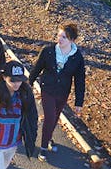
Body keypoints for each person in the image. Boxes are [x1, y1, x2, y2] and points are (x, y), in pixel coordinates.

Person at [28, 22, 85, 161]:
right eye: (59, 35)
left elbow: (79, 80)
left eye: (64, 37)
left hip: (63, 92)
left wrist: (79, 102)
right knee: (49, 117)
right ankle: (42, 148)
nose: (59, 39)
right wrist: (28, 83)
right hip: (47, 88)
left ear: (72, 40)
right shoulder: (48, 51)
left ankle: (48, 138)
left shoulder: (77, 57)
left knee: (55, 117)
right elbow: (37, 68)